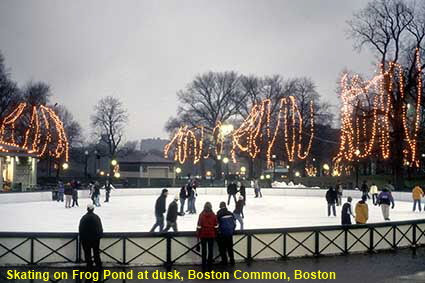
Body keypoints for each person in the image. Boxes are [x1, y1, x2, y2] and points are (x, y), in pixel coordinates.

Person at [79, 204, 103, 268]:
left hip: (86, 239)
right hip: (95, 239)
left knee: (87, 253)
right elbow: (100, 228)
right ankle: (98, 265)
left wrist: (82, 237)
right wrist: (99, 236)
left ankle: (89, 265)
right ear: (93, 209)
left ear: (87, 209)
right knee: (96, 252)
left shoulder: (84, 217)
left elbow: (81, 228)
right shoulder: (96, 217)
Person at [197, 202, 218, 269]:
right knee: (210, 250)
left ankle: (204, 263)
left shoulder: (201, 215)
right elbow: (216, 226)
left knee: (204, 250)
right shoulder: (213, 215)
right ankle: (210, 264)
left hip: (203, 235)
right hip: (211, 235)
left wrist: (198, 234)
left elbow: (199, 226)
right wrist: (215, 233)